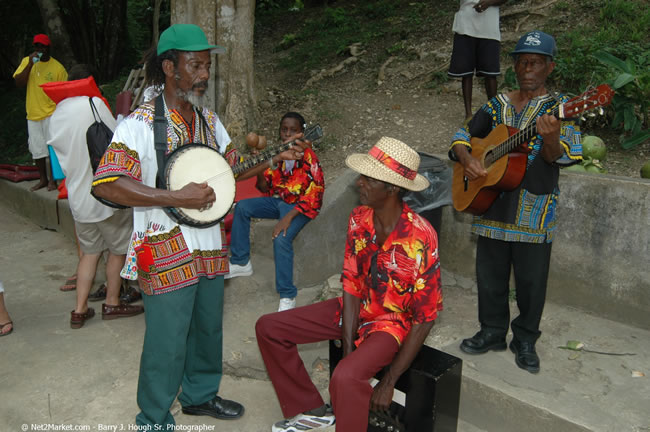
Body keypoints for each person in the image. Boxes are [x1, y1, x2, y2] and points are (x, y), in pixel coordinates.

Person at [91, 24, 310, 428]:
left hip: (209, 243)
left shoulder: (209, 121)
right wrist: (176, 197)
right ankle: (154, 416)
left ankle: (199, 395)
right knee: (167, 340)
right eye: (195, 65)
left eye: (207, 66)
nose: (204, 74)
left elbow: (230, 169)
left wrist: (274, 160)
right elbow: (107, 183)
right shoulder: (139, 124)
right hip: (163, 245)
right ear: (169, 67)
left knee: (208, 328)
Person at [256, 137, 442, 432]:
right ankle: (310, 410)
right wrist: (347, 352)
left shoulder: (421, 237)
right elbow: (352, 284)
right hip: (355, 309)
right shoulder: (359, 219)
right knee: (269, 327)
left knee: (344, 378)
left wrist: (389, 381)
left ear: (392, 188)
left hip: (390, 325)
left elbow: (424, 319)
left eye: (368, 178)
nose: (359, 183)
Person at [449, 30, 582, 374]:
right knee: (490, 276)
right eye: (522, 61)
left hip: (533, 210)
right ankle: (492, 332)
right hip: (490, 203)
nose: (527, 68)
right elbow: (462, 135)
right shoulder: (496, 106)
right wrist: (467, 160)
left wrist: (550, 139)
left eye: (535, 62)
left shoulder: (560, 108)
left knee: (531, 282)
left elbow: (561, 158)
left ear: (549, 67)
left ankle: (524, 339)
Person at [47, 64, 144, 328]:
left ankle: (79, 311)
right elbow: (118, 142)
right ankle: (112, 302)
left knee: (89, 254)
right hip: (105, 197)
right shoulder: (94, 104)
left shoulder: (55, 114)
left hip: (78, 198)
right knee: (117, 251)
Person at [226, 112, 325, 311]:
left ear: (302, 133)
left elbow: (315, 196)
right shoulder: (278, 154)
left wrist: (286, 219)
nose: (287, 134)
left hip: (299, 207)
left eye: (293, 130)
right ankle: (241, 262)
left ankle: (288, 295)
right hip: (279, 201)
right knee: (243, 207)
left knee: (281, 237)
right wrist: (263, 168)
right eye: (284, 130)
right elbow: (265, 188)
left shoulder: (308, 157)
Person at [13, 34, 68, 191]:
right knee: (38, 150)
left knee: (52, 148)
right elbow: (18, 83)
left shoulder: (58, 67)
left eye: (43, 47)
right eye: (37, 46)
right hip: (33, 113)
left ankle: (53, 180)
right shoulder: (27, 62)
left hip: (51, 113)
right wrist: (30, 64)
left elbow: (63, 92)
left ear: (49, 48)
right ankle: (43, 179)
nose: (40, 50)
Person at [447, 0, 506, 121]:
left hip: (489, 28)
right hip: (465, 25)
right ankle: (468, 115)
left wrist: (489, 3)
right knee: (466, 73)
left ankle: (493, 114)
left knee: (490, 74)